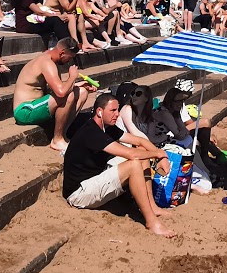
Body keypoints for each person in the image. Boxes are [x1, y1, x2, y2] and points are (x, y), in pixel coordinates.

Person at [62, 93, 175, 237]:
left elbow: (140, 142)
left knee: (141, 153)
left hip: (94, 177)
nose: (117, 114)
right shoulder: (91, 132)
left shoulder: (107, 126)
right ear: (99, 111)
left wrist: (160, 154)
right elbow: (130, 154)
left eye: (118, 110)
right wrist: (159, 154)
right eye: (113, 110)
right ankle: (151, 222)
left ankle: (152, 206)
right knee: (134, 163)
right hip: (79, 193)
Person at [11, 38, 96, 152]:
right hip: (24, 110)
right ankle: (57, 139)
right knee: (67, 96)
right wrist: (72, 77)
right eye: (69, 57)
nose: (69, 61)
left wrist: (79, 84)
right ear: (62, 53)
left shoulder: (51, 60)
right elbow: (61, 93)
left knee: (82, 92)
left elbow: (59, 87)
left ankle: (63, 135)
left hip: (37, 106)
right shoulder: (46, 62)